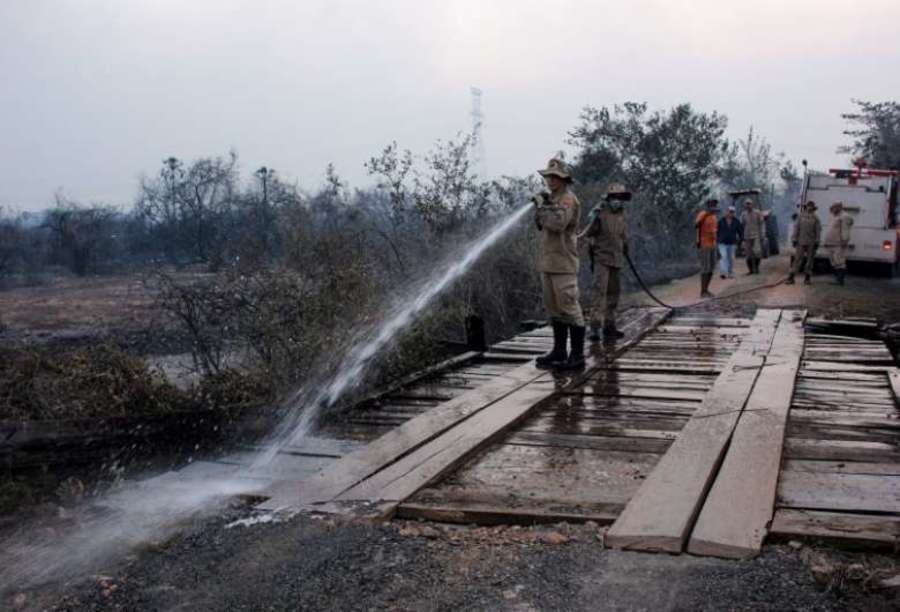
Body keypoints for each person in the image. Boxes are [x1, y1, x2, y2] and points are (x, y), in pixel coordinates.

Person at [533, 158, 586, 370]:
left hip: (564, 263)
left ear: (564, 179)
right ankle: (559, 351)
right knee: (554, 309)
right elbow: (540, 224)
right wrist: (543, 204)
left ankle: (577, 355)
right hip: (548, 263)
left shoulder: (568, 200)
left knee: (569, 308)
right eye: (548, 176)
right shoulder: (553, 199)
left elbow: (558, 224)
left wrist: (544, 206)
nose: (550, 180)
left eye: (555, 177)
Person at [585, 183, 631, 342]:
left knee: (614, 294)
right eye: (616, 197)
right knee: (599, 293)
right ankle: (595, 328)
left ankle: (609, 326)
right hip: (601, 258)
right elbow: (589, 233)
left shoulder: (623, 212)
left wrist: (626, 246)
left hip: (617, 258)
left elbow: (624, 233)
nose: (619, 200)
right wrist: (593, 217)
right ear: (610, 198)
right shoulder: (600, 211)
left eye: (621, 197)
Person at [787, 201, 822, 285]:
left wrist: (817, 241)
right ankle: (791, 277)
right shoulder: (800, 216)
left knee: (810, 261)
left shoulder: (816, 218)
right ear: (806, 207)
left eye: (811, 206)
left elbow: (818, 231)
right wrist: (794, 239)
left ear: (813, 208)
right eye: (808, 206)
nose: (809, 207)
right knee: (797, 260)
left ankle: (807, 278)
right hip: (801, 241)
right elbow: (796, 228)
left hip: (811, 242)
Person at [824, 201, 853, 286]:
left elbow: (845, 230)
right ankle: (837, 279)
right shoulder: (835, 216)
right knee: (833, 262)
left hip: (838, 243)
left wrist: (844, 241)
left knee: (839, 261)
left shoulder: (844, 216)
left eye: (833, 207)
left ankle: (840, 281)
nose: (832, 209)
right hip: (831, 243)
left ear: (839, 207)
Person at [695, 199, 719, 298]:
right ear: (708, 206)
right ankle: (703, 291)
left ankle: (706, 289)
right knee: (705, 268)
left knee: (711, 268)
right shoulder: (703, 214)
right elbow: (696, 225)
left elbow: (715, 232)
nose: (713, 207)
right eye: (712, 205)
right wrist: (706, 214)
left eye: (715, 205)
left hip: (713, 244)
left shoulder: (714, 217)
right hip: (704, 245)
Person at [740, 199, 766, 275]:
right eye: (746, 204)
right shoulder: (743, 214)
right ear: (745, 205)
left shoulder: (757, 213)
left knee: (757, 253)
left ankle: (756, 268)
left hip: (756, 235)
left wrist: (763, 234)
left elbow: (762, 224)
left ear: (752, 204)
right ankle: (750, 270)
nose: (748, 205)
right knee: (748, 254)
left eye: (749, 204)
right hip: (747, 236)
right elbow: (741, 225)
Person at [717, 205, 742, 279]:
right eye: (730, 211)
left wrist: (740, 240)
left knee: (731, 258)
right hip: (722, 243)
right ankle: (723, 272)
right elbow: (716, 231)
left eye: (732, 212)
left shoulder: (736, 221)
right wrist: (717, 239)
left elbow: (740, 231)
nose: (731, 213)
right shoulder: (721, 221)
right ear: (727, 212)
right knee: (723, 256)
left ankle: (730, 272)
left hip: (732, 243)